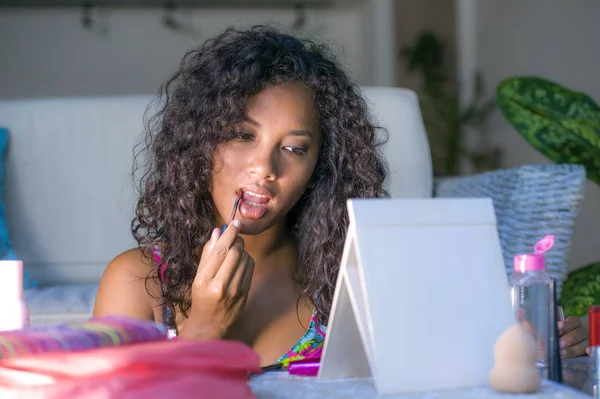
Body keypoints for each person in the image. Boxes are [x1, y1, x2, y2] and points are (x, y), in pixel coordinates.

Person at [93, 25, 588, 367]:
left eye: (294, 148)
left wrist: (525, 345)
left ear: (319, 168)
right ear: (198, 142)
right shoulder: (135, 283)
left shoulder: (349, 281)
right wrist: (202, 329)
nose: (265, 168)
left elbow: (441, 368)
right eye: (242, 136)